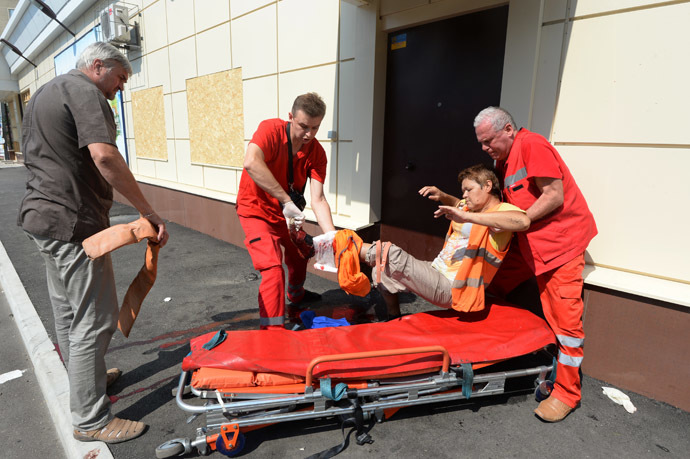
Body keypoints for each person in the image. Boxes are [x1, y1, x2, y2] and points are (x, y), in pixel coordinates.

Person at [18, 42, 169, 444]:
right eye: (120, 78)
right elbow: (104, 157)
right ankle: (90, 419)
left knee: (68, 314)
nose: (118, 89)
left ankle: (88, 381)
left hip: (43, 220)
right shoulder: (86, 92)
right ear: (98, 66)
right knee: (95, 319)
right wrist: (148, 212)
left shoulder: (44, 94)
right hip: (74, 225)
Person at [473, 106, 597, 423]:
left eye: (489, 142)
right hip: (529, 243)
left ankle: (567, 393)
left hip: (560, 247)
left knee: (565, 323)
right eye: (482, 144)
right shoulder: (503, 159)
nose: (485, 149)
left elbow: (554, 196)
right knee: (491, 285)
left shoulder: (533, 145)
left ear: (509, 130)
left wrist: (519, 221)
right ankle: (491, 345)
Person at [358, 164, 530, 317]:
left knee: (391, 254)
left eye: (468, 190)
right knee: (382, 270)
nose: (464, 195)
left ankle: (347, 246)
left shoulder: (501, 210)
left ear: (487, 186)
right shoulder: (470, 207)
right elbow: (458, 204)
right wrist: (442, 195)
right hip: (436, 270)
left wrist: (466, 216)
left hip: (454, 286)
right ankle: (393, 317)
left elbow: (523, 221)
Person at [236, 93, 336, 329]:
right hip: (256, 210)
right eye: (303, 126)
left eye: (315, 127)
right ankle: (272, 331)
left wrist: (332, 235)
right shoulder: (270, 130)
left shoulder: (317, 152)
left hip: (285, 215)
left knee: (300, 252)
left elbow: (318, 199)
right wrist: (285, 200)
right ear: (291, 117)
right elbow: (251, 162)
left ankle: (296, 294)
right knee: (272, 269)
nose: (309, 134)